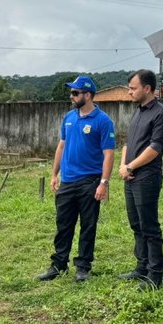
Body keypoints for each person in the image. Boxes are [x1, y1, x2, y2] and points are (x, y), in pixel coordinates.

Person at [37, 75, 115, 283]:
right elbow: (61, 146)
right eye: (71, 92)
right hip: (68, 182)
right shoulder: (69, 118)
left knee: (88, 226)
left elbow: (109, 154)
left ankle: (83, 266)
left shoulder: (103, 121)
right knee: (63, 225)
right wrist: (54, 174)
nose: (71, 96)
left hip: (90, 182)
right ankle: (58, 264)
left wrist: (104, 183)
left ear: (87, 95)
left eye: (75, 92)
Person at [117, 69, 163, 290]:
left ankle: (155, 273)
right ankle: (141, 267)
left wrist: (131, 166)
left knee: (149, 226)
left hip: (147, 177)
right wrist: (123, 165)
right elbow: (127, 143)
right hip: (130, 176)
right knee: (136, 224)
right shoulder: (138, 111)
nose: (130, 92)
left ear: (147, 88)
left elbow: (155, 148)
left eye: (133, 88)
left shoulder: (162, 114)